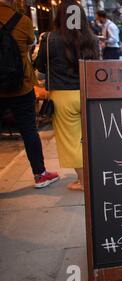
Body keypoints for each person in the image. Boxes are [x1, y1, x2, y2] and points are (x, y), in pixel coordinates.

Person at [35, 0, 99, 191]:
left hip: (62, 96)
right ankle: (97, 174)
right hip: (88, 94)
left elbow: (39, 66)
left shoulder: (49, 39)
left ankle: (82, 181)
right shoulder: (92, 39)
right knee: (91, 138)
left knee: (71, 140)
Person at [0, 0, 59, 188]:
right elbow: (31, 43)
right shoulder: (22, 20)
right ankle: (39, 174)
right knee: (28, 130)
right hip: (21, 85)